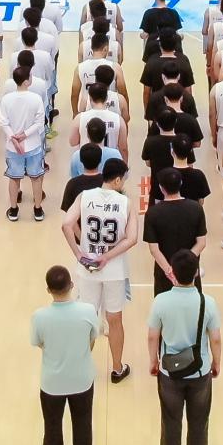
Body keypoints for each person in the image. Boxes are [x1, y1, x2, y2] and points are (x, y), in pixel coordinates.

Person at [147, 250, 220, 445]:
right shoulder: (207, 302)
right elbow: (215, 338)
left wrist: (153, 361)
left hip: (170, 371)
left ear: (173, 274)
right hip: (200, 370)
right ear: (196, 273)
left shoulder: (161, 301)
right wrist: (216, 362)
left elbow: (153, 336)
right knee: (199, 420)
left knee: (170, 420)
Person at [65, 158, 138, 383]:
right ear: (117, 180)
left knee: (87, 319)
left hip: (88, 268)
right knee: (114, 320)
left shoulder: (84, 196)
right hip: (114, 270)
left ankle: (81, 368)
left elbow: (66, 224)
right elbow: (132, 238)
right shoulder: (125, 203)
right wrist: (107, 256)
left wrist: (80, 252)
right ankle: (117, 368)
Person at [31, 264, 103, 445]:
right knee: (83, 422)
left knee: (52, 424)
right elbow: (92, 339)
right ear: (71, 285)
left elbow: (40, 343)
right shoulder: (87, 311)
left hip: (52, 383)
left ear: (48, 290)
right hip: (81, 379)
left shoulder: (39, 316)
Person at [144, 169, 206, 295]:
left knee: (164, 305)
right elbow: (201, 243)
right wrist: (186, 263)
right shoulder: (196, 208)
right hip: (190, 272)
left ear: (161, 188)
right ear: (180, 183)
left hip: (164, 274)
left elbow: (154, 249)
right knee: (193, 304)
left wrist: (170, 271)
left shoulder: (152, 213)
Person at [2, 65, 48, 222]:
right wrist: (25, 135)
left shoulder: (7, 99)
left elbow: (4, 122)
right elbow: (39, 122)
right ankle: (38, 209)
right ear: (27, 81)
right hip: (33, 144)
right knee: (36, 177)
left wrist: (14, 137)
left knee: (14, 178)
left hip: (13, 146)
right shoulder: (36, 98)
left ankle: (13, 209)